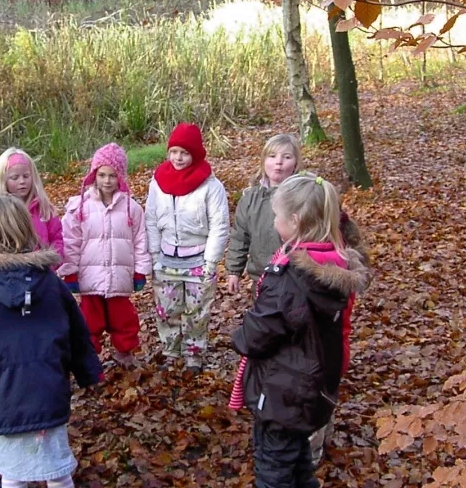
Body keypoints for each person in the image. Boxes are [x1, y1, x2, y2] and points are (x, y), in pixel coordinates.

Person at [0, 196, 102, 488]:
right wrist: (88, 373)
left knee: (12, 474)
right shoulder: (51, 284)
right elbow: (78, 333)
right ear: (26, 232)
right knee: (57, 469)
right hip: (48, 391)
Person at [229, 173, 368, 488]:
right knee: (298, 460)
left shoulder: (290, 276)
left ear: (293, 220)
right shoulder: (335, 264)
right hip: (314, 382)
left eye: (276, 215)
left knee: (273, 465)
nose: (274, 220)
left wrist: (239, 337)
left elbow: (264, 327)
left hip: (283, 389)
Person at [144, 122, 229, 373]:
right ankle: (171, 349)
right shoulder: (158, 182)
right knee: (167, 309)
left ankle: (194, 353)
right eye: (174, 152)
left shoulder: (210, 186)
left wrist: (211, 262)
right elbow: (151, 219)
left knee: (196, 310)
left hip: (198, 258)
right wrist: (155, 255)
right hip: (167, 257)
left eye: (184, 152)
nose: (178, 158)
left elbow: (219, 225)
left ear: (196, 154)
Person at [58, 143, 151, 367]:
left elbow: (140, 240)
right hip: (90, 276)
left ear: (120, 177)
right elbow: (70, 242)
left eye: (112, 175)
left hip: (120, 275)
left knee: (124, 318)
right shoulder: (79, 208)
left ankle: (125, 351)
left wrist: (140, 270)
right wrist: (70, 272)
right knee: (90, 319)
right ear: (94, 175)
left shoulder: (131, 208)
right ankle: (89, 356)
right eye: (102, 175)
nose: (107, 181)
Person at [226, 134, 301, 297]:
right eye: (272, 156)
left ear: (295, 163)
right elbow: (240, 237)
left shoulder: (303, 195)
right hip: (261, 277)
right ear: (263, 161)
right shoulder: (250, 198)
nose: (278, 162)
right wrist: (234, 271)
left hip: (296, 278)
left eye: (286, 157)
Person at [0, 147, 64, 259]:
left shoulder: (44, 209)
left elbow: (57, 240)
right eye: (15, 178)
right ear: (3, 180)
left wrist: (51, 262)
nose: (22, 181)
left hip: (41, 272)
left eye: (26, 176)